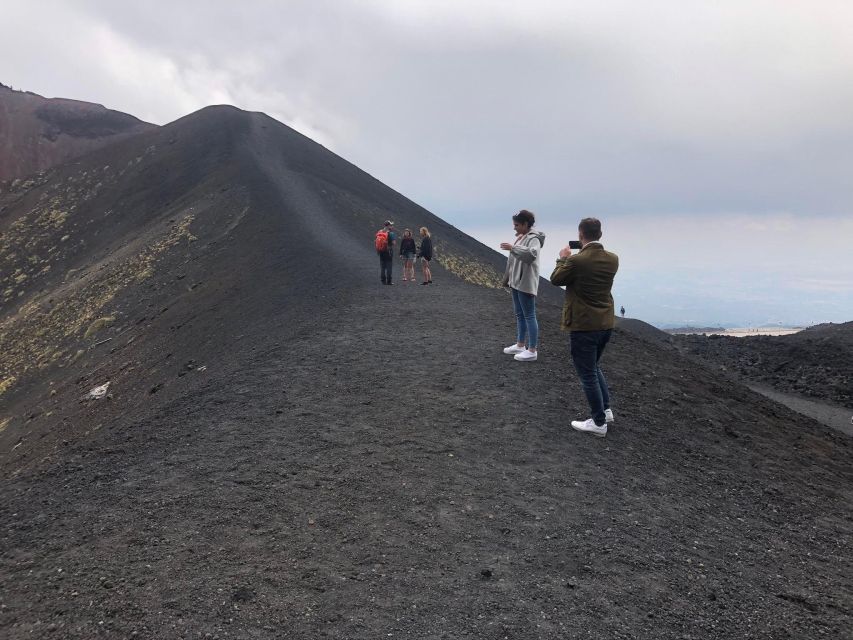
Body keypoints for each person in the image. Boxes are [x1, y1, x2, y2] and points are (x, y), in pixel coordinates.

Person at [550, 217, 619, 437]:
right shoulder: (613, 259)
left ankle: (598, 423)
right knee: (594, 366)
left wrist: (562, 259)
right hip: (605, 323)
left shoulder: (577, 261)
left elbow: (555, 279)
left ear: (580, 235)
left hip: (584, 324)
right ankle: (605, 411)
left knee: (587, 373)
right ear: (600, 234)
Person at [500, 210, 545, 362]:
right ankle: (520, 344)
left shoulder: (534, 239)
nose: (514, 228)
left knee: (529, 315)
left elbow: (531, 255)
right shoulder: (523, 237)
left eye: (517, 225)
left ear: (526, 224)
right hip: (517, 282)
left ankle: (532, 350)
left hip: (525, 282)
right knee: (520, 314)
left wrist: (513, 248)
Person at [375, 220, 396, 285]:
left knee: (383, 266)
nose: (392, 226)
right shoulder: (391, 233)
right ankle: (389, 281)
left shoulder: (379, 231)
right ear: (388, 226)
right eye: (391, 225)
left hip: (381, 251)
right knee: (389, 266)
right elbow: (394, 243)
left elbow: (375, 240)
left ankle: (383, 280)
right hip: (388, 252)